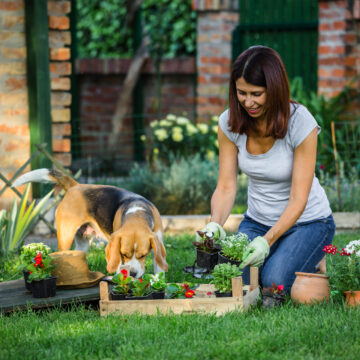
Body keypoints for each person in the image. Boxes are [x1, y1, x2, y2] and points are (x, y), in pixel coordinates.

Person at [197, 46, 335, 292]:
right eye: (241, 93)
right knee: (235, 280)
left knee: (273, 281)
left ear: (275, 89)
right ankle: (288, 256)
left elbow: (298, 198)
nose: (248, 102)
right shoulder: (229, 123)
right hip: (257, 222)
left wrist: (267, 241)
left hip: (308, 222)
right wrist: (215, 225)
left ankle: (312, 258)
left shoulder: (301, 123)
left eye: (256, 93)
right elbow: (226, 186)